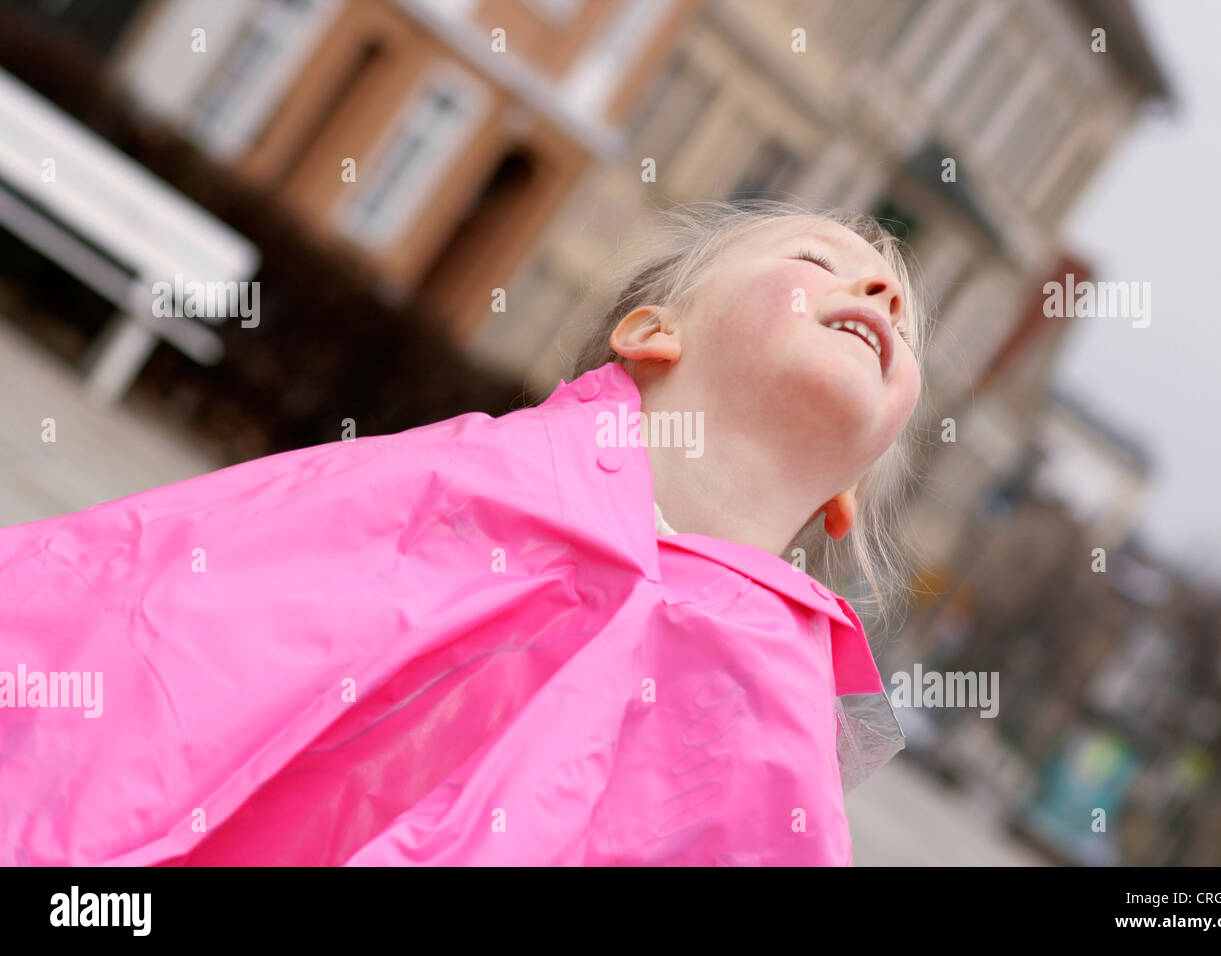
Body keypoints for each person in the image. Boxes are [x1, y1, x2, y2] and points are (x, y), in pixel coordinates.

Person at [0, 198, 930, 866]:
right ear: (654, 332)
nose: (883, 290)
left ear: (843, 496)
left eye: (903, 316)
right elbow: (173, 617)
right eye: (816, 262)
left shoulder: (779, 708)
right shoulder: (470, 487)